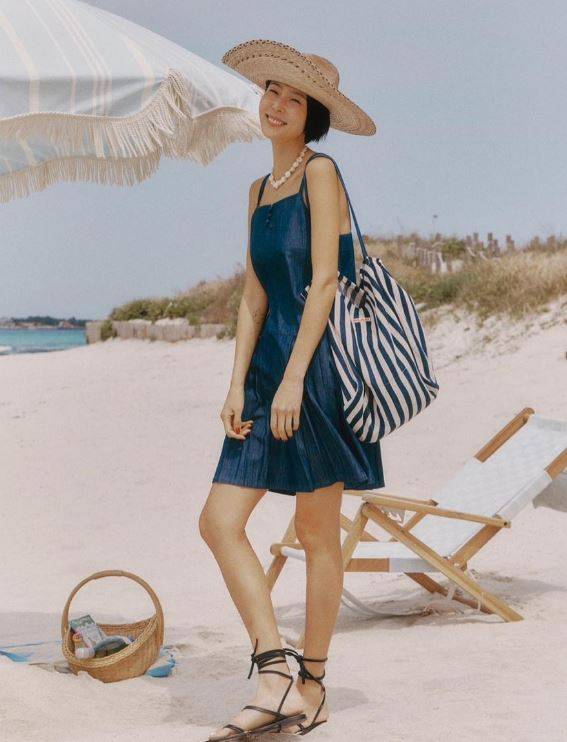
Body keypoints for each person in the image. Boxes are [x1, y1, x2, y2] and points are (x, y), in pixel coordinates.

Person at [199, 39, 384, 740]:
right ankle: (274, 672)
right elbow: (253, 295)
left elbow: (327, 280)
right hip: (264, 373)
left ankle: (313, 684)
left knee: (314, 532)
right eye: (271, 91)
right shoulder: (256, 190)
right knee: (219, 522)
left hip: (315, 371)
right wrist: (235, 383)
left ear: (313, 117)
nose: (275, 104)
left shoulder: (321, 172)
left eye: (293, 98)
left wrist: (296, 378)